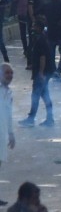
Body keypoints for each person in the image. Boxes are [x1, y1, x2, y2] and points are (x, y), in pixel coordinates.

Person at [22, 18, 54, 127]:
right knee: (44, 95)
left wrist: (40, 73)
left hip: (43, 72)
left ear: (39, 28)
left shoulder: (40, 40)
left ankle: (31, 119)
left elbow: (42, 58)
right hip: (45, 71)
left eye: (34, 26)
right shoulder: (41, 38)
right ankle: (49, 119)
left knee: (36, 95)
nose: (32, 28)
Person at [0, 64, 14, 204]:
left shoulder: (9, 93)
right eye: (6, 73)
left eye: (11, 73)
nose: (9, 76)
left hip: (2, 132)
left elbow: (9, 114)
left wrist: (11, 133)